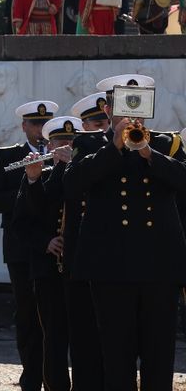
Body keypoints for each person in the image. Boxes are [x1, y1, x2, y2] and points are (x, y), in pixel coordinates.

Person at [66, 74, 186, 391]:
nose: (131, 112)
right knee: (116, 358)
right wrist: (115, 147)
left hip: (159, 266)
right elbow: (72, 185)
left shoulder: (168, 143)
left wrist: (149, 154)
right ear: (107, 109)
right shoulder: (88, 144)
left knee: (159, 356)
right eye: (123, 104)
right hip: (111, 268)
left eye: (137, 104)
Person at [0, 100, 58, 391]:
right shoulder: (8, 156)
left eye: (45, 123)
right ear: (24, 126)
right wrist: (29, 185)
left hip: (54, 243)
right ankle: (31, 376)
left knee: (54, 312)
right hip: (20, 245)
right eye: (35, 124)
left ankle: (55, 375)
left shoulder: (62, 152)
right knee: (27, 311)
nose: (40, 130)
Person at [13, 114, 80, 391]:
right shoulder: (41, 176)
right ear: (49, 145)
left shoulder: (89, 172)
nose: (65, 145)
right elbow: (22, 223)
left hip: (81, 270)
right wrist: (46, 242)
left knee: (84, 337)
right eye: (59, 141)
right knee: (52, 338)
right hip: (48, 271)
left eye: (70, 141)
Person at [59, 92, 112, 390]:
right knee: (84, 340)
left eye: (105, 122)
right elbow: (64, 195)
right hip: (81, 257)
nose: (103, 128)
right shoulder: (82, 149)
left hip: (113, 259)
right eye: (96, 123)